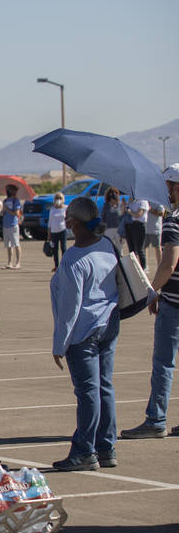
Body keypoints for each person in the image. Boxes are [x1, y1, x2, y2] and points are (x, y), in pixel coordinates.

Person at [50, 196, 120, 471]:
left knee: (88, 392)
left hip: (84, 332)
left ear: (75, 223)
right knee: (104, 388)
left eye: (69, 217)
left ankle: (84, 451)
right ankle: (106, 447)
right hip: (108, 324)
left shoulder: (73, 259)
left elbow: (70, 309)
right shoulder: (107, 246)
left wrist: (59, 344)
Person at [123, 164, 179, 440]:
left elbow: (169, 263)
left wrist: (152, 291)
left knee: (163, 363)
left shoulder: (173, 220)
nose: (166, 191)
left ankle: (156, 419)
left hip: (174, 303)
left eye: (169, 186)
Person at [1, 184, 22, 269]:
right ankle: (9, 262)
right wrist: (2, 210)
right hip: (5, 224)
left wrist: (8, 210)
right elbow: (3, 212)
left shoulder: (16, 201)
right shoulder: (5, 200)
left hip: (13, 225)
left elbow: (16, 213)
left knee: (16, 243)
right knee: (8, 245)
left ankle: (18, 263)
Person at [125, 196, 148, 268]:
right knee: (131, 249)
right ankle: (134, 267)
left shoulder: (143, 201)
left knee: (139, 249)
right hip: (130, 225)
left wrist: (129, 211)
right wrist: (126, 204)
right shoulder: (132, 201)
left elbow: (138, 214)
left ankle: (143, 267)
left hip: (139, 225)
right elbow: (124, 210)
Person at [47, 192, 67, 272]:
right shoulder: (52, 209)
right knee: (55, 249)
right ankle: (56, 266)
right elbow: (50, 222)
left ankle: (64, 265)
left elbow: (68, 218)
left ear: (63, 200)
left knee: (63, 248)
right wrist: (49, 234)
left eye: (60, 198)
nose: (58, 200)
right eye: (57, 198)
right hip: (54, 232)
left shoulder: (66, 208)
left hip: (63, 230)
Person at [145, 201, 165, 271]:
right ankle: (145, 265)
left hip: (156, 229)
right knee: (144, 248)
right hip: (146, 228)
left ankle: (160, 266)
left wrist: (151, 209)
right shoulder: (146, 200)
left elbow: (162, 213)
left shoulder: (159, 202)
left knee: (157, 248)